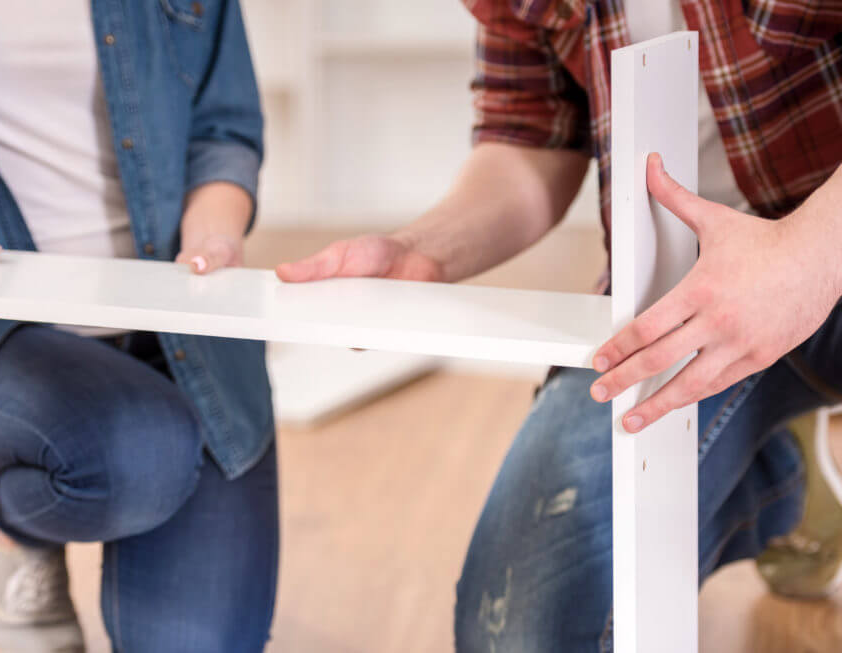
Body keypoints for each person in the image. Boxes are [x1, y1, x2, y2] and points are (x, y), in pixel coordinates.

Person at [277, 1, 842, 650]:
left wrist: (808, 254)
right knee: (519, 634)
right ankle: (781, 475)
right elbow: (531, 138)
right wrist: (425, 249)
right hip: (685, 294)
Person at [0, 1, 277, 651]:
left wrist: (214, 236)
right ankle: (20, 528)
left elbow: (225, 130)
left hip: (184, 338)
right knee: (139, 450)